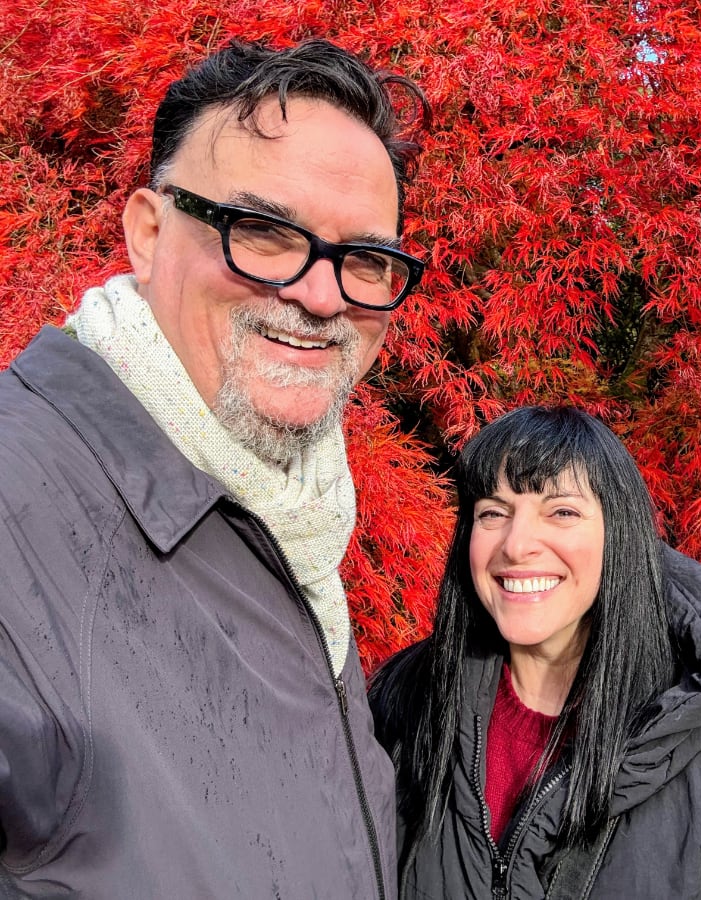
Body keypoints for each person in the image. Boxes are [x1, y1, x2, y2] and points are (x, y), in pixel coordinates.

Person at [0, 39, 428, 898]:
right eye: (264, 233)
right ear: (149, 233)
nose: (322, 294)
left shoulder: (293, 524)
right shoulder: (19, 507)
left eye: (367, 260)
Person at [369, 406, 701, 899]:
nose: (516, 545)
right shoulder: (403, 707)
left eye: (562, 512)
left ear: (619, 537)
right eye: (493, 512)